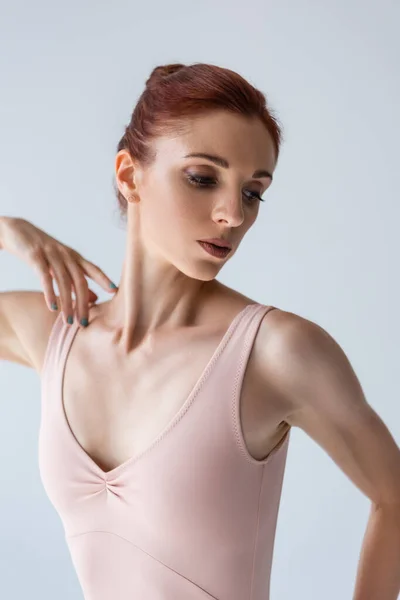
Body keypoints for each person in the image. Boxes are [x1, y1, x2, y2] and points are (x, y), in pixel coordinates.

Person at [1, 62, 399, 600]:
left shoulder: (275, 352)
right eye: (203, 178)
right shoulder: (58, 332)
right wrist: (9, 230)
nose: (233, 214)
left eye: (253, 192)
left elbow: (394, 498)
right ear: (128, 175)